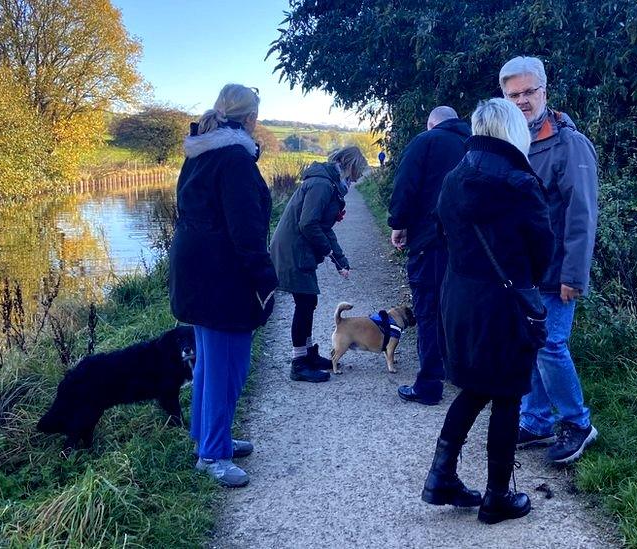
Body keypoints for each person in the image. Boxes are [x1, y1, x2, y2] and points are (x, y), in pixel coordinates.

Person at [421, 98, 554, 524]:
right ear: (512, 131)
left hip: (459, 298)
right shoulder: (520, 183)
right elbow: (542, 252)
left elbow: (442, 232)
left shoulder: (454, 178)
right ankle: (497, 497)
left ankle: (441, 477)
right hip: (505, 303)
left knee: (475, 387)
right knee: (508, 394)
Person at [169, 83, 277, 487]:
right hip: (222, 277)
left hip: (194, 271)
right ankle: (213, 455)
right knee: (228, 366)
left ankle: (208, 437)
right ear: (251, 119)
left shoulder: (200, 152)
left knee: (210, 363)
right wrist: (265, 278)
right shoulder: (234, 159)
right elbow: (246, 231)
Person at [500, 56, 599, 463]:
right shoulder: (514, 140)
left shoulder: (568, 144)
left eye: (529, 92)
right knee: (532, 345)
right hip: (525, 271)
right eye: (514, 94)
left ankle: (578, 423)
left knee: (551, 346)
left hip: (557, 270)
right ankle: (537, 420)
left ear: (544, 91)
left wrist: (574, 275)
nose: (522, 100)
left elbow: (582, 213)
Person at [389, 106, 470, 406]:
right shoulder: (473, 142)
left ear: (432, 123)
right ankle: (458, 372)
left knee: (429, 309)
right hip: (468, 246)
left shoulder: (426, 141)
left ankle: (429, 385)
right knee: (457, 309)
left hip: (430, 239)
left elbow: (405, 186)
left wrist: (398, 224)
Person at [270, 146, 369, 383]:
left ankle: (309, 354)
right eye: (355, 174)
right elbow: (308, 224)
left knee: (308, 302)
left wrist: (340, 260)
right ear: (349, 166)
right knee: (304, 303)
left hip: (299, 248)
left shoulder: (330, 185)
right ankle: (299, 363)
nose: (355, 180)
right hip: (292, 249)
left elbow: (323, 228)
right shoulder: (322, 185)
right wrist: (330, 254)